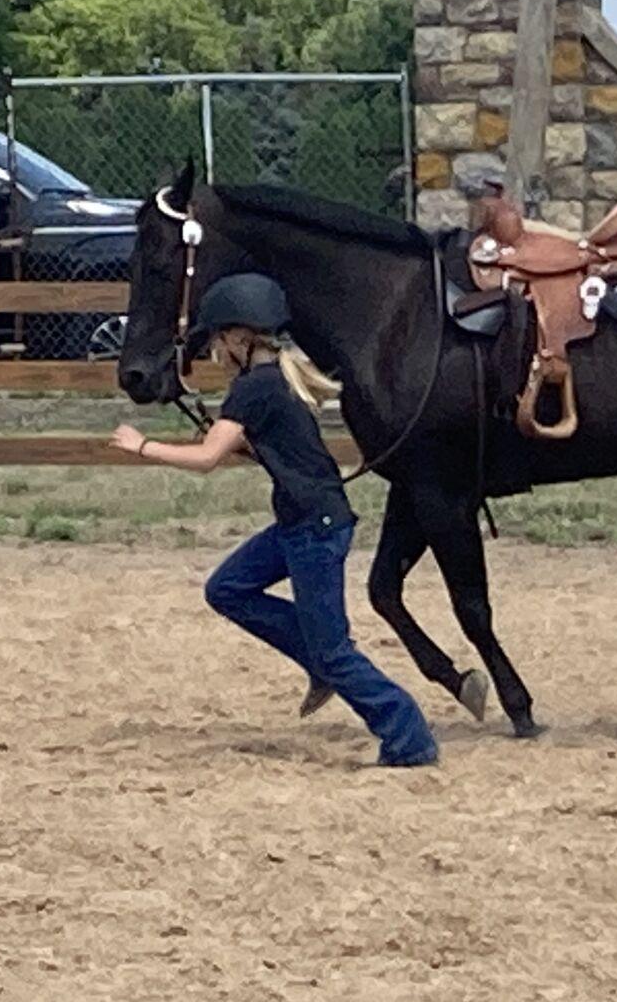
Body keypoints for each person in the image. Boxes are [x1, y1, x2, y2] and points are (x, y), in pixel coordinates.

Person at [111, 273, 440, 768]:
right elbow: (277, 447)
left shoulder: (253, 389)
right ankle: (318, 659)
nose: (217, 350)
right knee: (228, 589)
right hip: (304, 521)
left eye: (220, 339)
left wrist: (143, 447)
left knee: (334, 651)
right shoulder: (272, 380)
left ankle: (408, 737)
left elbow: (206, 460)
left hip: (314, 527)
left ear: (243, 339)